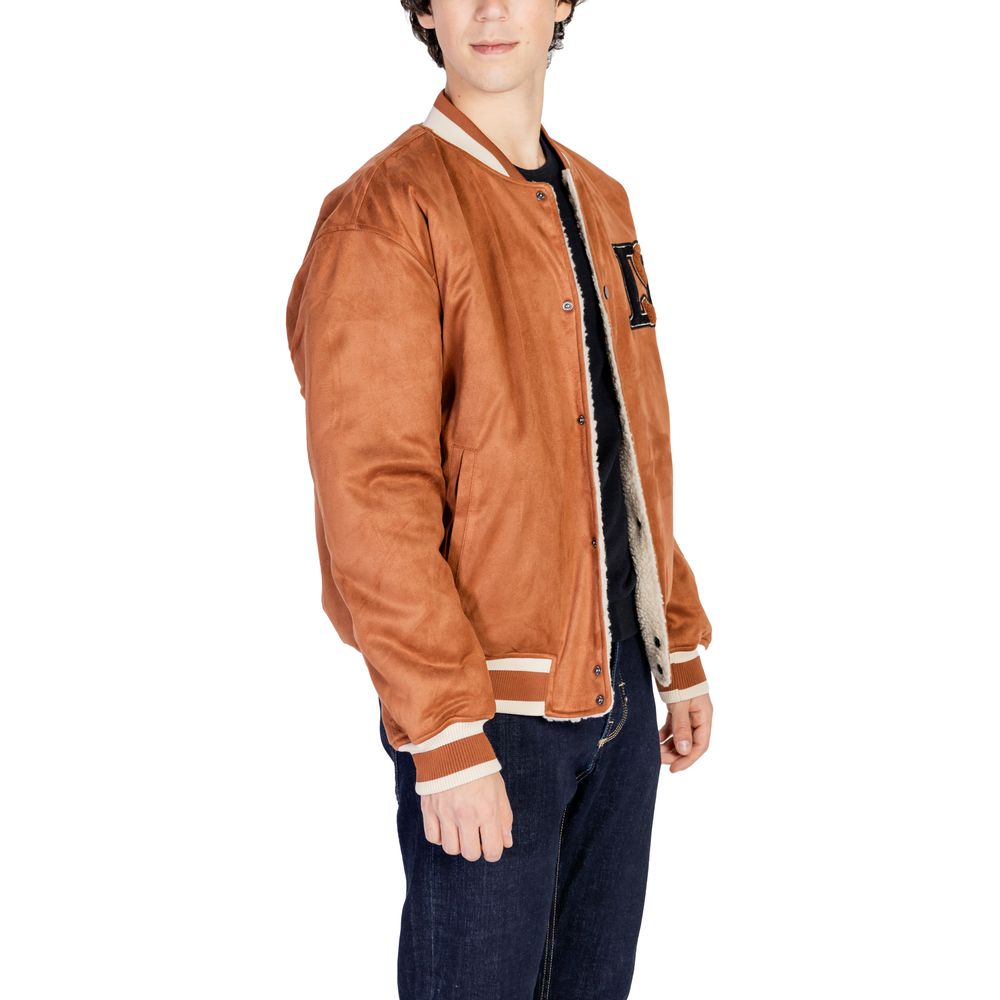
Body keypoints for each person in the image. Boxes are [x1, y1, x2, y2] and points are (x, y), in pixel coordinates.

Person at [284, 2, 715, 997]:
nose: (490, 10)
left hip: (619, 699)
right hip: (488, 719)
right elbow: (371, 496)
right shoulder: (384, 213)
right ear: (422, 10)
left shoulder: (601, 201)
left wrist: (677, 645)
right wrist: (444, 734)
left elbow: (633, 444)